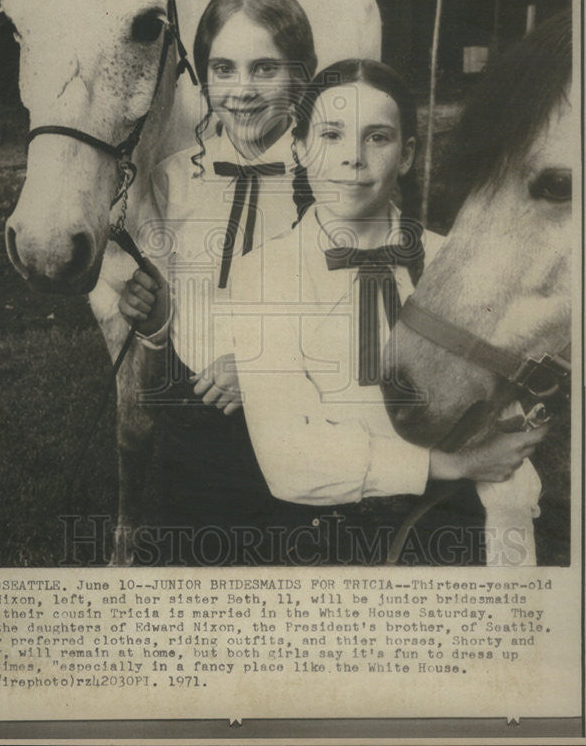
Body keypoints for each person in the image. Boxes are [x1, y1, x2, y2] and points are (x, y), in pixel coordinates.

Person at [198, 59, 548, 565]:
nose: (353, 160)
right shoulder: (262, 276)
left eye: (377, 137)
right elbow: (290, 462)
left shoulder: (456, 261)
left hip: (464, 527)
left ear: (406, 155)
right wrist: (454, 462)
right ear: (298, 149)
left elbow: (505, 438)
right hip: (332, 538)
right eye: (331, 136)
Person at [115, 0, 318, 564]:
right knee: (199, 567)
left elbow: (353, 314)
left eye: (265, 69)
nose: (243, 91)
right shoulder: (171, 181)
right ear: (201, 79)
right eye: (223, 69)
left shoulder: (332, 183)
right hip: (193, 424)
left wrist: (262, 366)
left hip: (299, 419)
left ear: (300, 77)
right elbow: (177, 316)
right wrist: (154, 319)